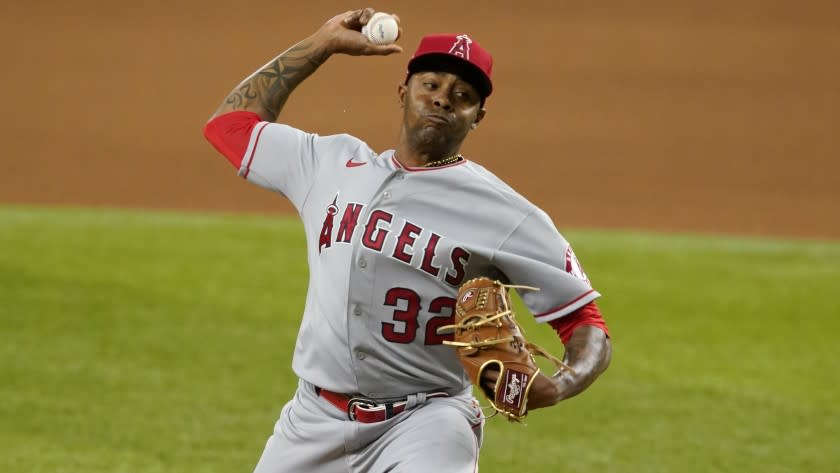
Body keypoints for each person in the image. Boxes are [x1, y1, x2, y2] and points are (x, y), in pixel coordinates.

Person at [203, 8, 612, 473]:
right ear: (403, 91)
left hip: (427, 422)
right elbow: (229, 124)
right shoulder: (329, 163)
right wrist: (321, 45)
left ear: (478, 116)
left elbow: (585, 320)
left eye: (462, 95)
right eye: (431, 85)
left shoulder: (507, 213)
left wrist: (560, 384)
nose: (442, 100)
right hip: (312, 418)